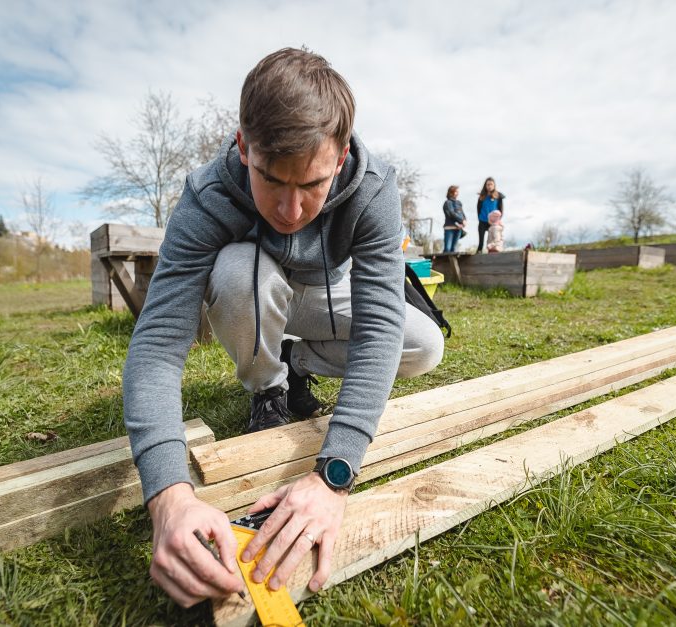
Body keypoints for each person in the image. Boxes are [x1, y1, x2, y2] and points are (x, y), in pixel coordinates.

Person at [123, 48, 445, 609]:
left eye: (313, 184)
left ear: (341, 158)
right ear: (244, 146)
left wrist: (333, 476)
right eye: (271, 180)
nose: (292, 209)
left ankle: (294, 361)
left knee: (422, 345)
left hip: (323, 295)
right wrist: (169, 497)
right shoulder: (205, 197)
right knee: (237, 270)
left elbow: (377, 327)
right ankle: (268, 386)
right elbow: (156, 346)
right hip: (252, 289)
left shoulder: (374, 188)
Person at [476, 177, 506, 253]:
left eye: (491, 184)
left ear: (494, 185)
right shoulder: (482, 197)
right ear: (485, 186)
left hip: (493, 222)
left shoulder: (498, 196)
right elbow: (478, 209)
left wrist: (497, 220)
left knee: (494, 240)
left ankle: (493, 253)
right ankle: (479, 252)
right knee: (481, 242)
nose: (489, 186)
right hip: (483, 221)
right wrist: (480, 218)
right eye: (488, 185)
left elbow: (501, 210)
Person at [441, 185, 466, 253]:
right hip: (449, 228)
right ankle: (444, 263)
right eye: (456, 191)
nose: (457, 193)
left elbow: (462, 213)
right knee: (447, 249)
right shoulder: (447, 203)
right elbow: (451, 214)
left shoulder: (459, 203)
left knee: (454, 249)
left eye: (458, 192)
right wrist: (460, 221)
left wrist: (464, 221)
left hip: (458, 229)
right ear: (451, 192)